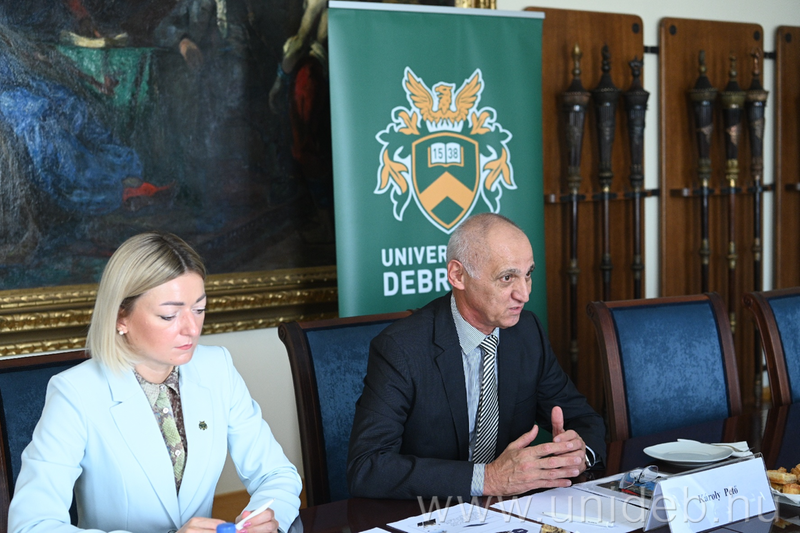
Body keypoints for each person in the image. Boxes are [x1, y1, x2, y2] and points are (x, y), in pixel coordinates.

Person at [9, 232, 302, 533]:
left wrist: (264, 519)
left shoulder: (217, 368)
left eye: (199, 309)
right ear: (121, 317)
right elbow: (32, 525)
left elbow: (277, 475)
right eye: (168, 315)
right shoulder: (75, 393)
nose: (192, 329)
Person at [347, 213, 606, 499]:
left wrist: (579, 454)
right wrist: (488, 478)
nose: (524, 294)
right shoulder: (401, 348)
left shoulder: (526, 331)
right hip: (431, 509)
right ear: (458, 275)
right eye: (507, 277)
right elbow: (367, 466)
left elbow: (584, 419)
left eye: (528, 274)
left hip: (510, 510)